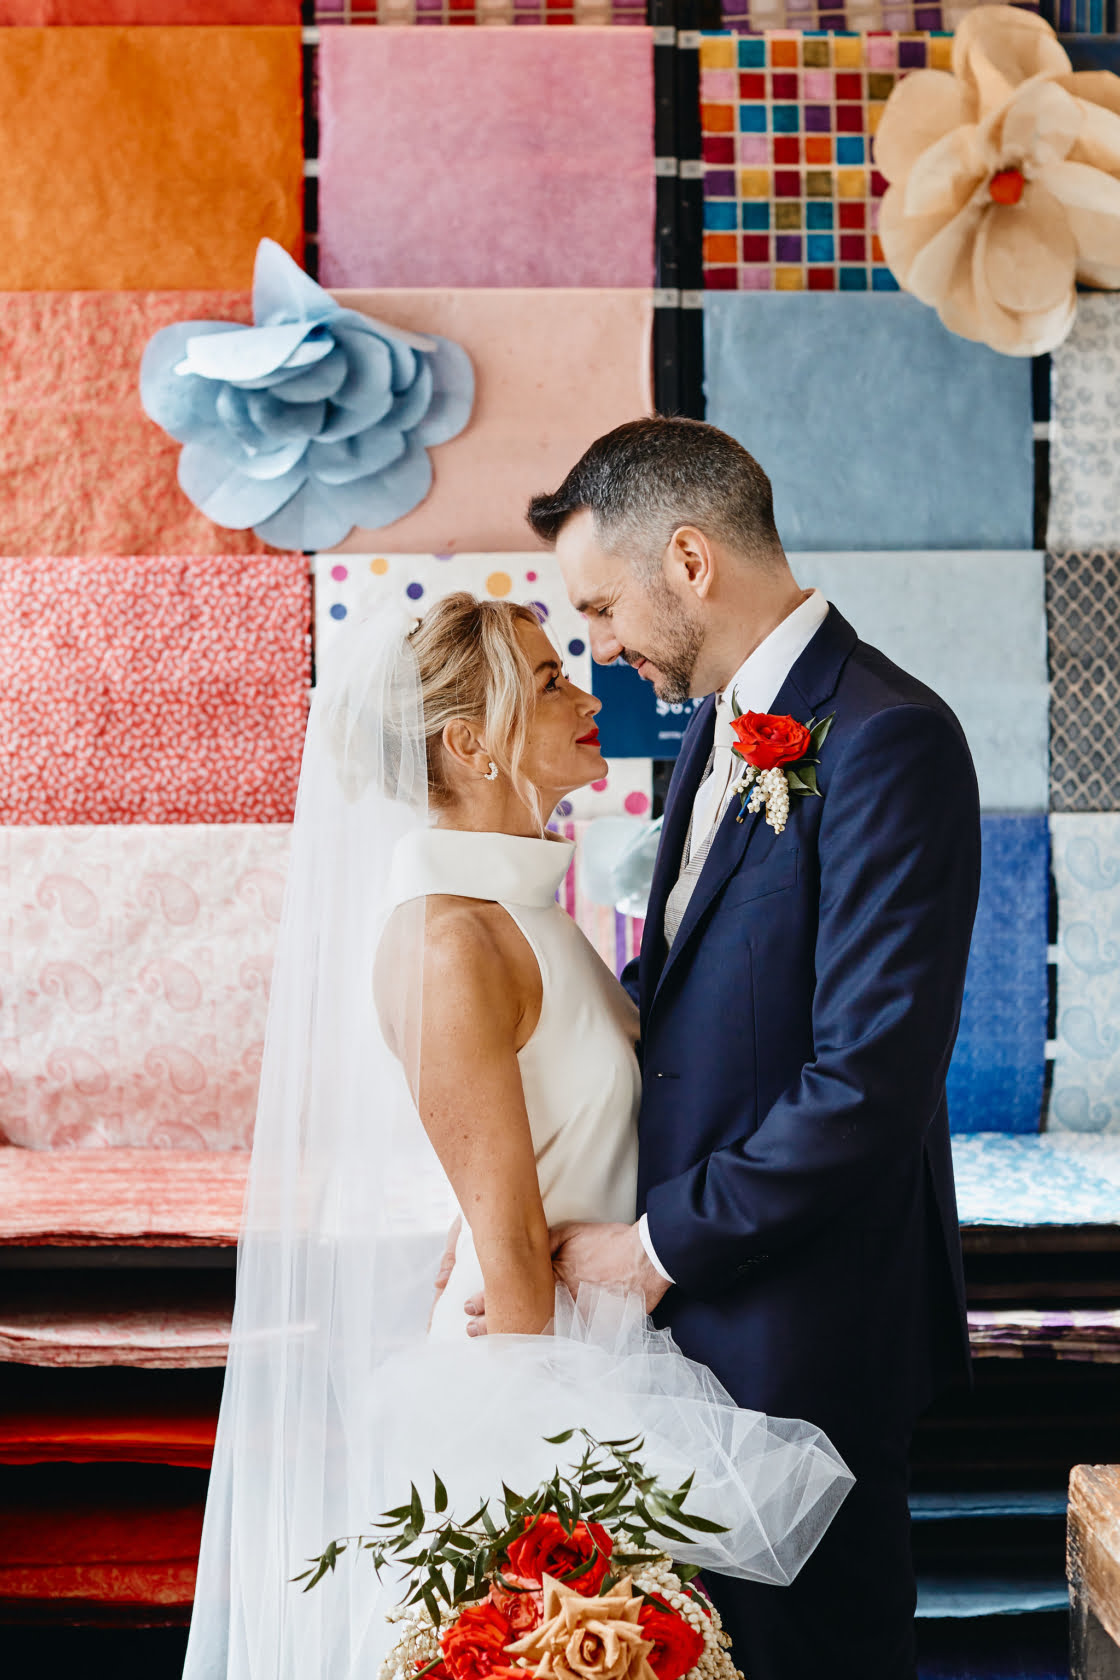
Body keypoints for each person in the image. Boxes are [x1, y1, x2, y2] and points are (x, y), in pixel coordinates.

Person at [182, 590, 851, 1680]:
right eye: (548, 682)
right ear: (469, 744)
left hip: (606, 1336)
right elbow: (510, 1267)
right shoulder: (449, 942)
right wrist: (546, 1526)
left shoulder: (527, 913)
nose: (589, 698)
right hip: (535, 1370)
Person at [470, 415, 979, 1680]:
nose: (600, 650)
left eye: (601, 607)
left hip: (810, 1317)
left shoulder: (890, 736)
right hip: (695, 1303)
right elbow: (683, 994)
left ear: (689, 560)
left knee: (814, 1657)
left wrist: (649, 1250)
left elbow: (867, 1084)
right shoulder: (713, 726)